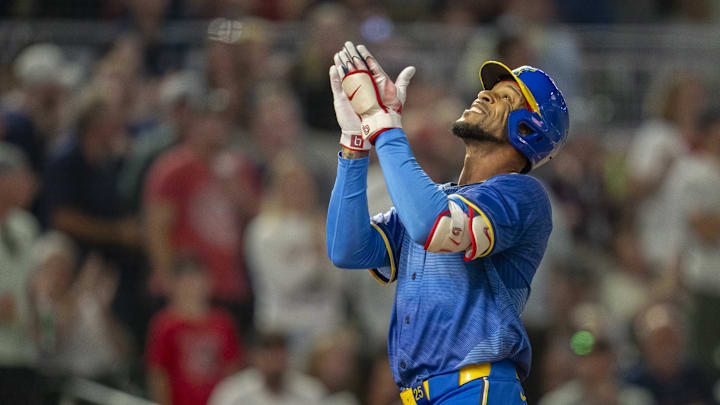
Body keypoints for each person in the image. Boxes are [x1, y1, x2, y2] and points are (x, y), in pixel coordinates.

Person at [326, 42, 569, 404]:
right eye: (488, 89)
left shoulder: (523, 194)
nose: (484, 95)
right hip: (419, 395)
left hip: (478, 389)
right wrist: (355, 142)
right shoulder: (435, 197)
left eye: (503, 98)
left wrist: (385, 126)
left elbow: (434, 226)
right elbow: (347, 248)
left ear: (529, 131)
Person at [146, 255, 244, 405]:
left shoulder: (223, 323)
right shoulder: (166, 325)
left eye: (197, 281)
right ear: (174, 285)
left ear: (209, 282)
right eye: (186, 282)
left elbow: (232, 370)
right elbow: (158, 375)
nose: (193, 288)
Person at [207, 331, 326, 405]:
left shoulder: (310, 392)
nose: (274, 363)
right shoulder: (232, 393)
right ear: (255, 358)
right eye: (268, 357)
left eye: (279, 356)